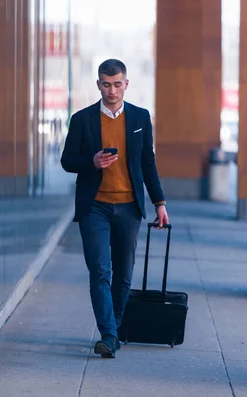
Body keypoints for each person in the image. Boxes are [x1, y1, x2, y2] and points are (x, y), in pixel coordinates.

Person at [61, 59, 169, 359]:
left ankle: (116, 327)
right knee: (100, 271)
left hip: (128, 207)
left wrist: (159, 203)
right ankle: (108, 334)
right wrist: (91, 162)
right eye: (106, 84)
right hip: (94, 206)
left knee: (123, 274)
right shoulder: (82, 119)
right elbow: (67, 160)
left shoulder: (140, 117)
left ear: (126, 84)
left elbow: (148, 163)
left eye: (117, 84)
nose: (112, 90)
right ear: (98, 84)